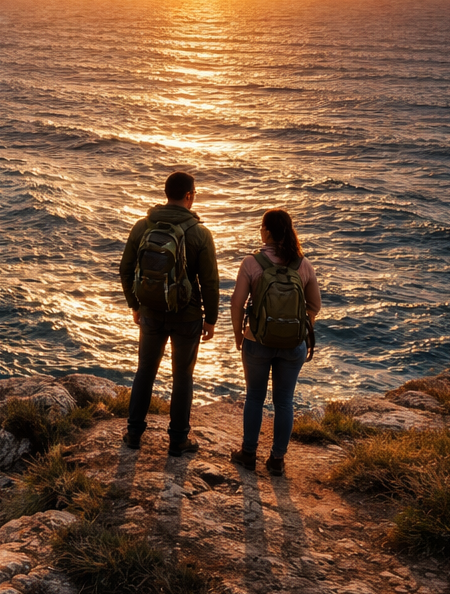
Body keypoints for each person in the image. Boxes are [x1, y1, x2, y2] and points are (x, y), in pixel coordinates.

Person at [118, 171, 219, 456]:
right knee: (182, 377)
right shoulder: (200, 233)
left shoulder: (142, 226)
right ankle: (178, 441)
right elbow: (209, 282)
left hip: (150, 312)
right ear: (189, 196)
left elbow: (125, 269)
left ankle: (134, 433)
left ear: (166, 193)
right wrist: (211, 318)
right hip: (186, 317)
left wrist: (134, 305)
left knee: (145, 372)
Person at [229, 209, 322, 477]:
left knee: (255, 397)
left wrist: (239, 335)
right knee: (284, 402)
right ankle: (277, 461)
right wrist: (296, 333)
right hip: (293, 345)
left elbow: (237, 303)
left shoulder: (252, 262)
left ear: (267, 232)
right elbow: (314, 305)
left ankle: (248, 454)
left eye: (262, 227)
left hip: (256, 341)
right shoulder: (303, 264)